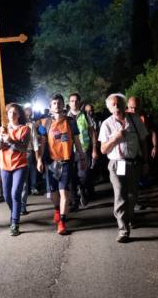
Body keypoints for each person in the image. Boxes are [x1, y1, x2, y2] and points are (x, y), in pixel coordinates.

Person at [98, 93, 149, 243]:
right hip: (117, 164)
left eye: (119, 103)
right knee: (120, 194)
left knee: (132, 195)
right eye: (113, 104)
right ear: (109, 107)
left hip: (133, 163)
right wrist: (115, 138)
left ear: (124, 104)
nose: (116, 106)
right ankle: (123, 230)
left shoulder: (135, 120)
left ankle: (129, 217)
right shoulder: (106, 124)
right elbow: (103, 149)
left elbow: (143, 141)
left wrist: (146, 162)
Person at [37, 94, 86, 235]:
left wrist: (82, 157)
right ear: (50, 107)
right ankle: (57, 209)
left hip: (66, 161)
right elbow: (42, 143)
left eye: (59, 103)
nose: (57, 105)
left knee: (64, 191)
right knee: (53, 193)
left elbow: (76, 141)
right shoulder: (44, 123)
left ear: (63, 105)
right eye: (54, 103)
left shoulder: (71, 122)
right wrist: (39, 159)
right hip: (51, 162)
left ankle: (62, 222)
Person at [0, 103, 31, 236]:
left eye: (15, 112)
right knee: (6, 196)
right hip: (4, 165)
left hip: (20, 165)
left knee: (15, 193)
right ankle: (14, 212)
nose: (12, 115)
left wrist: (10, 140)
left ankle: (15, 222)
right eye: (10, 112)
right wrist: (0, 140)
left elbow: (23, 148)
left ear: (19, 114)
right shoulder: (2, 129)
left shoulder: (24, 129)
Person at [67, 93, 98, 210]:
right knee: (71, 177)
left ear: (79, 102)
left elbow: (92, 133)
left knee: (84, 175)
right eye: (72, 101)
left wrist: (94, 149)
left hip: (84, 150)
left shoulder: (85, 115)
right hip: (69, 151)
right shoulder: (65, 117)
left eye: (76, 100)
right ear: (69, 103)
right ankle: (75, 202)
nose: (74, 103)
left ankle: (82, 188)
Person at [21, 105, 41, 215]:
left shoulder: (30, 125)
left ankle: (22, 206)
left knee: (24, 181)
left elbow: (34, 143)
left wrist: (38, 159)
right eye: (27, 114)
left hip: (27, 154)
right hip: (12, 156)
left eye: (29, 115)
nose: (28, 116)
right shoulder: (10, 125)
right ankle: (18, 203)